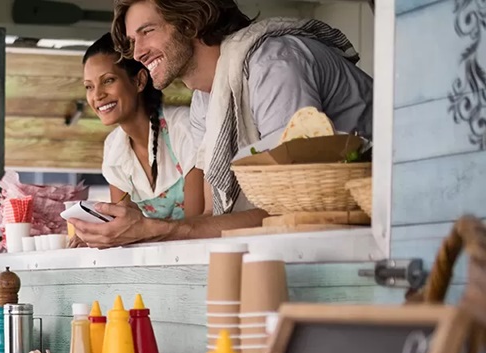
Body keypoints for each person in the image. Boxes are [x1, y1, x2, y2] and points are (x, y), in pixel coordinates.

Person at [72, 0, 373, 247]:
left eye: (147, 31)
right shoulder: (205, 100)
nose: (137, 53)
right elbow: (209, 215)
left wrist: (153, 229)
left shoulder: (273, 65)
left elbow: (291, 210)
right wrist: (142, 229)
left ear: (191, 20)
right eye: (133, 41)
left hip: (383, 232)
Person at [83, 32, 203, 224]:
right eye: (89, 86)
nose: (97, 95)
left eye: (108, 80)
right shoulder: (114, 146)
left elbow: (196, 225)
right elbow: (123, 226)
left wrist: (141, 231)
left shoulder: (182, 127)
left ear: (139, 80)